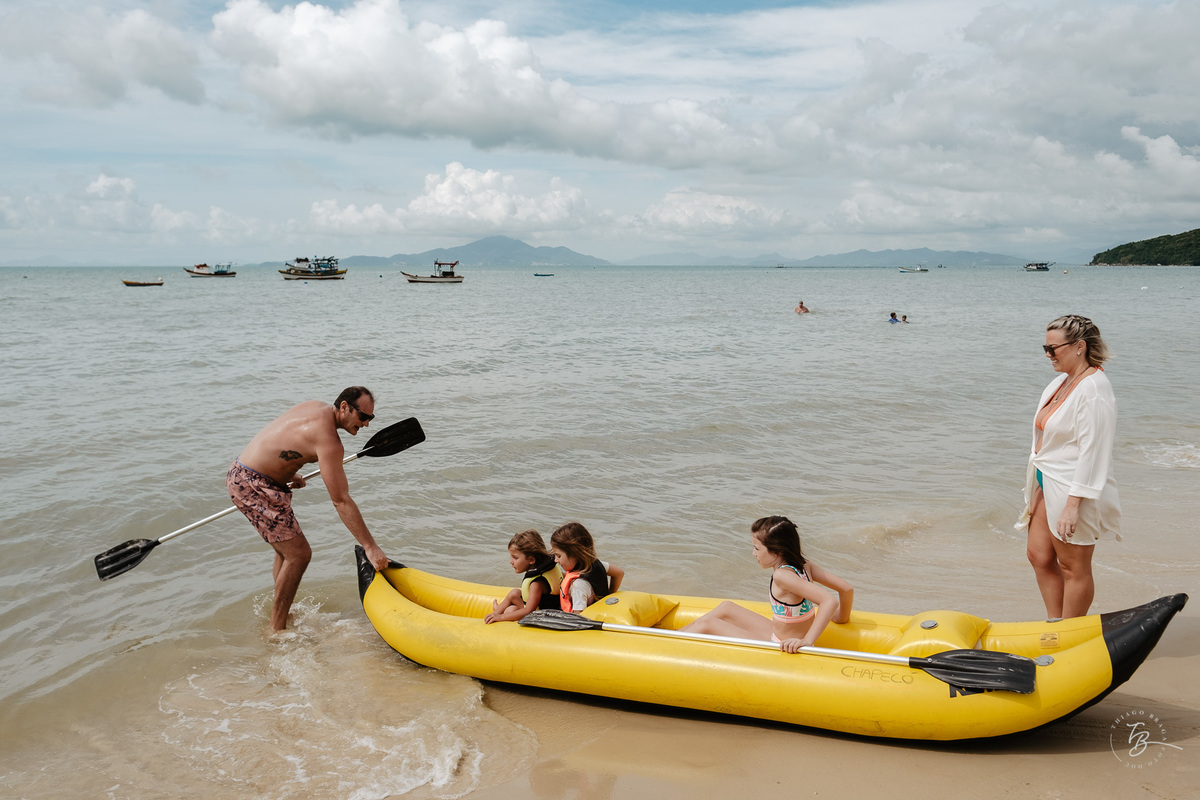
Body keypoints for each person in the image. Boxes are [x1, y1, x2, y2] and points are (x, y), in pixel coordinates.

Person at [227, 386, 389, 630]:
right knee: (299, 554)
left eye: (371, 418)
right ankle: (276, 629)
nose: (366, 424)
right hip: (255, 485)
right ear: (344, 407)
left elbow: (282, 439)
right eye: (363, 417)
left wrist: (289, 470)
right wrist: (370, 547)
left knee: (286, 551)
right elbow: (341, 499)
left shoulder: (315, 406)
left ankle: (281, 616)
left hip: (245, 472)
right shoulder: (330, 442)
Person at [1017, 315, 1120, 619]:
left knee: (1073, 566)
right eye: (1045, 348)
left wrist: (1074, 504)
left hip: (1073, 485)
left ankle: (1070, 631)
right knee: (1038, 556)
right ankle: (1054, 623)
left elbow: (1095, 450)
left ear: (1079, 346)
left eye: (1053, 349)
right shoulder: (1060, 381)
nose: (1048, 355)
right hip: (1046, 479)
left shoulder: (1095, 389)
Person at [681, 516, 854, 653]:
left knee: (706, 624)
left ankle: (662, 645)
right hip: (778, 634)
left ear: (777, 551)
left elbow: (829, 601)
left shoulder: (782, 576)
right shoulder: (804, 565)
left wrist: (806, 642)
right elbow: (846, 589)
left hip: (781, 645)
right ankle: (671, 635)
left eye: (757, 549)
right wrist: (842, 618)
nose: (753, 553)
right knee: (726, 607)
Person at [484, 530, 563, 623]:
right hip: (540, 607)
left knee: (510, 610)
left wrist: (501, 617)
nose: (511, 561)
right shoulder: (548, 568)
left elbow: (529, 610)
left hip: (543, 616)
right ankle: (496, 612)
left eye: (515, 557)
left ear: (531, 560)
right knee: (514, 593)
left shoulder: (537, 584)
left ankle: (498, 615)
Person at [550, 522, 625, 612]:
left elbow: (579, 617)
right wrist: (609, 596)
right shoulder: (597, 564)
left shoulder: (579, 586)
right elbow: (619, 573)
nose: (555, 560)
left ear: (574, 555)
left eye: (559, 556)